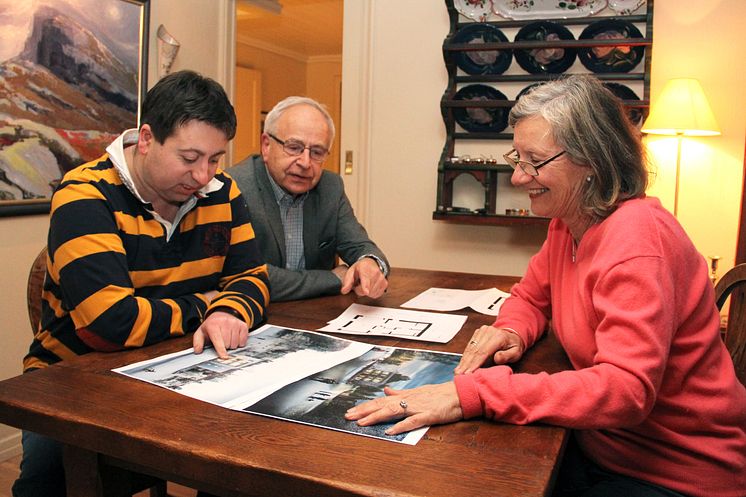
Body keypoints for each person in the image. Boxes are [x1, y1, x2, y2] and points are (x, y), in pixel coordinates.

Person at [345, 75, 746, 497]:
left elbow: (626, 391)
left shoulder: (637, 241)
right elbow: (531, 296)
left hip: (678, 470)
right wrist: (512, 329)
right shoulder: (568, 221)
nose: (518, 177)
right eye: (516, 157)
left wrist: (473, 393)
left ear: (593, 159)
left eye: (533, 161)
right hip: (599, 445)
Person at [14, 70, 269, 497]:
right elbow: (108, 323)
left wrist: (228, 309)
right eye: (189, 159)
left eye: (215, 158)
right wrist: (206, 305)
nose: (204, 175)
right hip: (73, 383)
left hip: (181, 368)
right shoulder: (84, 196)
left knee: (243, 468)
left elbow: (252, 279)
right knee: (52, 483)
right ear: (146, 139)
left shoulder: (223, 192)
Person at [230, 96, 389, 301]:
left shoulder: (330, 187)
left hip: (316, 317)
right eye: (294, 147)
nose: (305, 162)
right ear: (266, 145)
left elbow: (360, 246)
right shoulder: (235, 187)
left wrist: (369, 263)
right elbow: (247, 276)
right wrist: (333, 278)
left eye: (317, 152)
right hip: (251, 319)